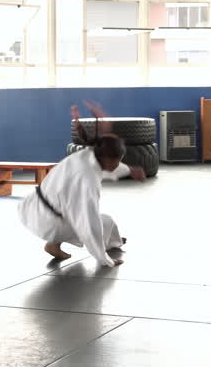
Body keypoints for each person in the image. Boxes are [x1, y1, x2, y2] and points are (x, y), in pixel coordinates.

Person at [18, 102, 145, 266]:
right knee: (101, 222)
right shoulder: (87, 180)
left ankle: (56, 244)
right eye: (117, 160)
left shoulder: (89, 155)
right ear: (107, 159)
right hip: (49, 221)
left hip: (34, 208)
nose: (118, 163)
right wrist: (104, 259)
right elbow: (88, 221)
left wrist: (130, 170)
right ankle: (100, 245)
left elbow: (109, 163)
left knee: (103, 221)